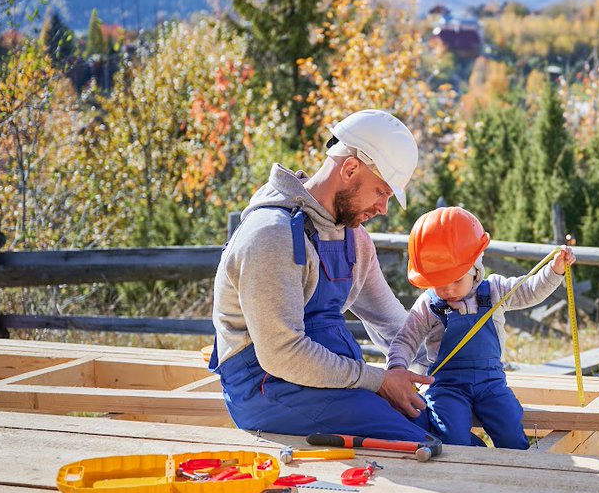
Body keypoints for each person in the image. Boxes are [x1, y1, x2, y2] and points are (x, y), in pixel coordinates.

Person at [210, 109, 434, 440]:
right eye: (381, 191)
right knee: (416, 443)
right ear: (350, 168)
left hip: (331, 383)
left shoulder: (353, 238)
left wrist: (446, 367)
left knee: (431, 423)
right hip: (268, 390)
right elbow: (281, 354)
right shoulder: (271, 235)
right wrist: (377, 380)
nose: (384, 208)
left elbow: (392, 324)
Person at [387, 206, 575, 449]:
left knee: (509, 430)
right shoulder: (428, 304)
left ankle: (517, 468)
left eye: (456, 279)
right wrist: (397, 368)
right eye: (438, 283)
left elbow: (529, 292)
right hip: (447, 384)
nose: (448, 290)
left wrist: (555, 270)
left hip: (491, 382)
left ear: (476, 268)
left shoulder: (494, 290)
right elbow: (405, 340)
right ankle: (475, 455)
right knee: (451, 435)